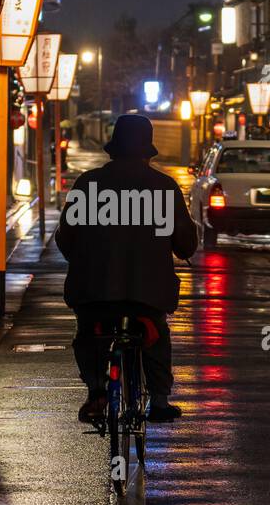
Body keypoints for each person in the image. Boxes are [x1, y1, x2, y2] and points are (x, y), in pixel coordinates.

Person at [55, 114, 198, 423]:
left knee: (89, 334)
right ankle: (159, 401)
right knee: (155, 334)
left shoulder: (88, 184)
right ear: (148, 151)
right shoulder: (164, 188)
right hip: (146, 293)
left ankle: (96, 390)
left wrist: (86, 261)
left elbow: (65, 237)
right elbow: (186, 244)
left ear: (113, 150)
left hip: (94, 291)